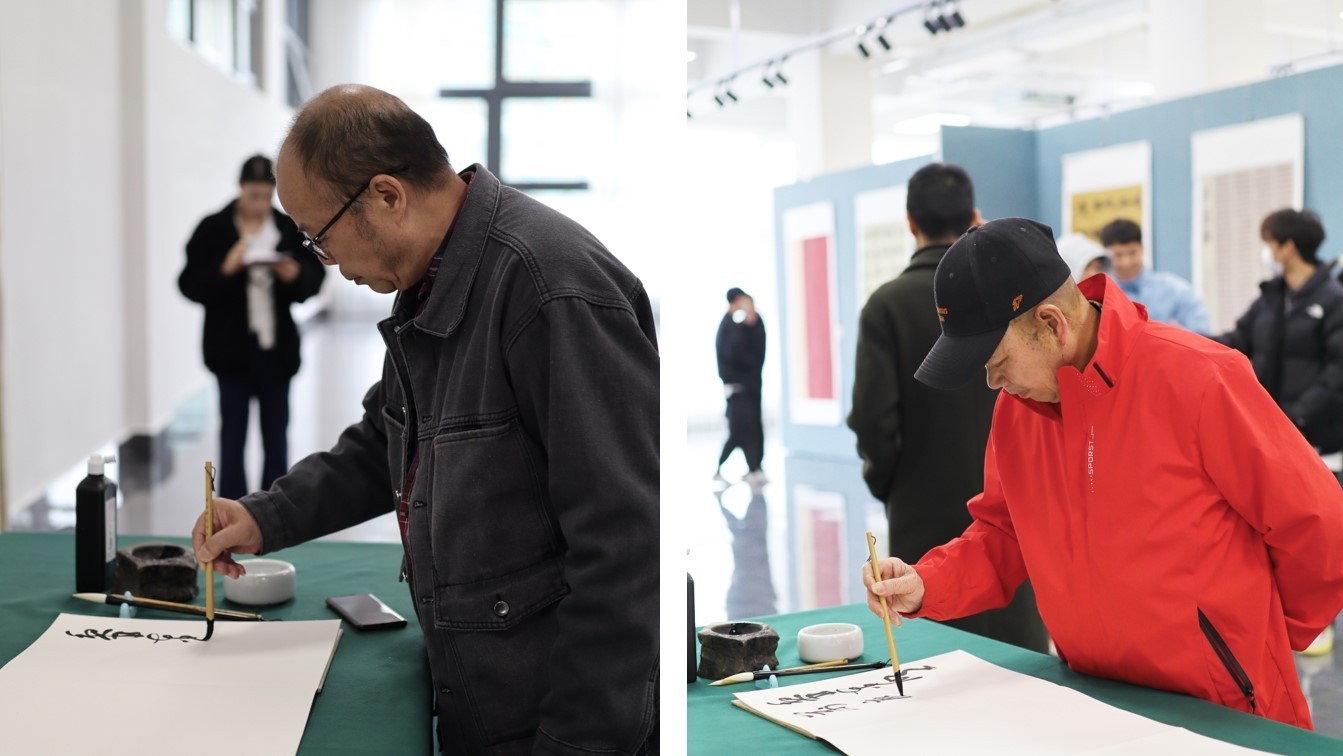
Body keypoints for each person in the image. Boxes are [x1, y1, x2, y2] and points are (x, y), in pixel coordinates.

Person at [191, 85, 659, 755]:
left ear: (387, 195)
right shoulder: (431, 279)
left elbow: (626, 550)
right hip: (483, 702)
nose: (329, 264)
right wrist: (266, 516)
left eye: (321, 238)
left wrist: (574, 743)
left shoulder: (550, 290)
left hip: (552, 724)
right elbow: (387, 438)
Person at [863, 217, 1343, 729]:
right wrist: (926, 583)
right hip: (1097, 707)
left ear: (1052, 325)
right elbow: (1004, 534)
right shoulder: (1017, 412)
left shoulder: (1199, 378)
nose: (992, 381)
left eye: (995, 359)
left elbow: (1318, 521)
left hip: (1223, 710)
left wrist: (1254, 641)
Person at [847, 163, 1047, 652]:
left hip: (922, 502)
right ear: (975, 217)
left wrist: (891, 484)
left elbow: (872, 419)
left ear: (910, 221)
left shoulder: (886, 305)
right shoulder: (1011, 301)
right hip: (1014, 506)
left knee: (930, 648)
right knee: (1015, 650)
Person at [1213, 209, 1343, 655]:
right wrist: (1184, 345)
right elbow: (1236, 340)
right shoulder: (1270, 299)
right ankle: (1286, 619)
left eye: (1270, 242)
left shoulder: (1333, 298)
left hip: (1319, 438)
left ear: (1288, 246)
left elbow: (1338, 372)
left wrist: (1298, 417)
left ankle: (1321, 621)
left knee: (1321, 533)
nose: (1267, 251)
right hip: (1274, 436)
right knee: (1278, 531)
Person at [178, 155, 326, 499]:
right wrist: (224, 269)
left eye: (266, 196)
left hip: (276, 351)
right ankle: (232, 508)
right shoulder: (213, 228)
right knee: (232, 437)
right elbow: (189, 283)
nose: (260, 204)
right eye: (253, 195)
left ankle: (275, 508)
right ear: (241, 189)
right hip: (230, 353)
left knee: (276, 437)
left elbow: (315, 278)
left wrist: (295, 276)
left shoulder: (288, 229)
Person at [1099, 218, 1210, 333]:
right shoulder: (1102, 296)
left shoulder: (1176, 290)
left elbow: (1203, 333)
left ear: (1142, 249)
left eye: (1132, 253)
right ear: (1105, 255)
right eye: (1118, 255)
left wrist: (1181, 335)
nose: (1126, 263)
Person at [714, 288, 767, 487]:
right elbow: (735, 355)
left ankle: (754, 468)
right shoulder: (730, 326)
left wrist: (753, 323)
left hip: (749, 386)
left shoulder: (745, 324)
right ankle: (726, 469)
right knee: (741, 430)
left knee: (750, 429)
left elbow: (757, 349)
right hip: (738, 388)